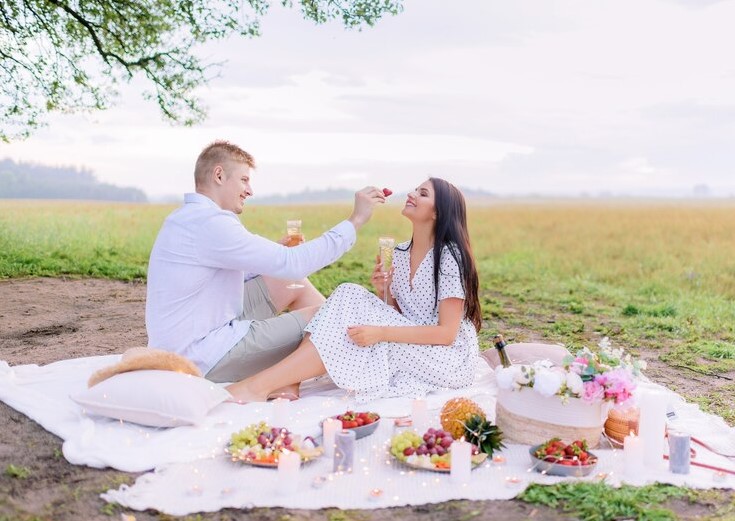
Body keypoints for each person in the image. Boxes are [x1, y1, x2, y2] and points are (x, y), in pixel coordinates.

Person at [145, 140, 386, 398]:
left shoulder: (189, 218)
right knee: (333, 314)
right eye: (244, 180)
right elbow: (292, 264)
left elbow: (228, 271)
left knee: (292, 283)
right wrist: (356, 220)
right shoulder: (211, 223)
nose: (250, 190)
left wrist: (273, 253)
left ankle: (316, 358)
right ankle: (294, 373)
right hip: (200, 354)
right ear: (219, 175)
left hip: (193, 333)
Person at [226, 177, 482, 403]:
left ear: (438, 213)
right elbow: (400, 314)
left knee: (351, 309)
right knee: (349, 292)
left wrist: (380, 333)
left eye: (423, 194)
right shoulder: (401, 253)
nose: (412, 194)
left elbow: (446, 334)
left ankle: (263, 385)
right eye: (415, 189)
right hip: (410, 340)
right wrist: (386, 291)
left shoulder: (450, 257)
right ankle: (286, 382)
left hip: (446, 358)